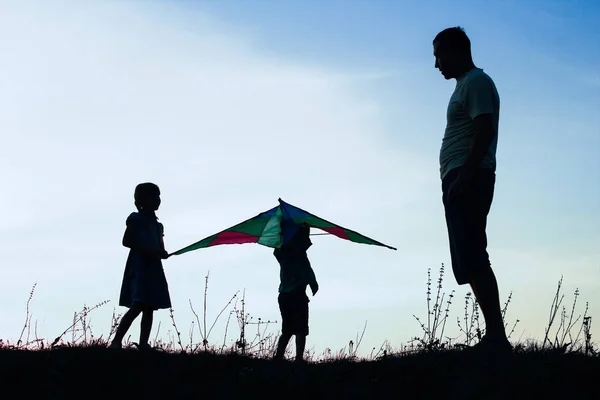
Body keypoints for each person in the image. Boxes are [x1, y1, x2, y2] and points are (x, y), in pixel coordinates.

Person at [433, 27, 511, 353]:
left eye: (439, 55)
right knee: (467, 256)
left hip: (470, 177)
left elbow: (484, 129)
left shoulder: (476, 82)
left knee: (474, 253)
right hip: (460, 177)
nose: (436, 64)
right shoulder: (464, 86)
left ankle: (496, 337)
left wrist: (464, 176)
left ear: (455, 51)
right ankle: (494, 337)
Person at [109, 182, 171, 350]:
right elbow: (127, 241)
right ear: (142, 200)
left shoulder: (158, 225)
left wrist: (162, 252)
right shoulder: (136, 219)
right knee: (138, 305)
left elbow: (160, 247)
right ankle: (116, 341)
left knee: (149, 307)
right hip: (140, 267)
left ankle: (143, 343)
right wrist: (152, 250)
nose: (158, 200)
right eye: (154, 196)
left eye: (159, 196)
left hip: (153, 268)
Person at [273, 224, 319, 363]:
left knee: (288, 330)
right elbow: (308, 272)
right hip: (295, 296)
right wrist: (313, 284)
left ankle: (279, 357)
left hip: (286, 296)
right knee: (300, 330)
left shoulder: (285, 253)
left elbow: (308, 272)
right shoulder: (296, 255)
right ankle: (297, 358)